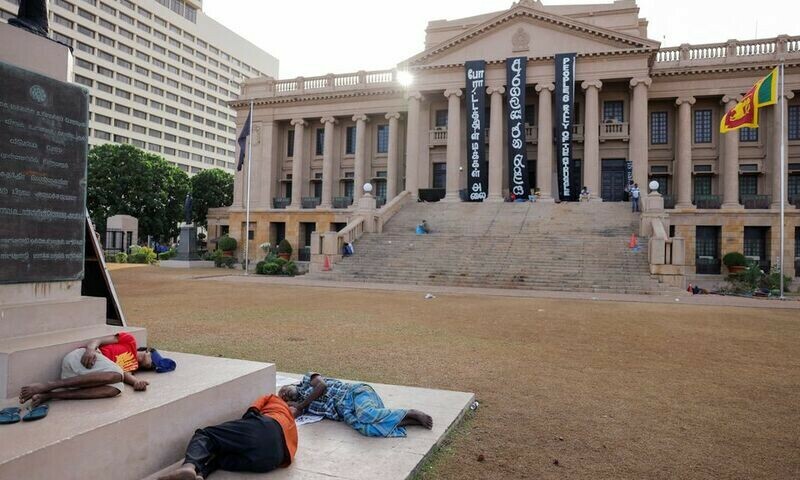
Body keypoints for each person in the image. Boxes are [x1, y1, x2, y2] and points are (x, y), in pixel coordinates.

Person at [158, 394, 298, 480]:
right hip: (271, 461)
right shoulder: (293, 429)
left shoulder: (275, 399)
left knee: (206, 435)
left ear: (284, 396)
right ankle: (200, 475)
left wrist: (243, 425)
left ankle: (188, 466)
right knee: (219, 459)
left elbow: (253, 409)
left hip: (266, 428)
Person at [18, 333, 175, 407]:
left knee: (115, 390)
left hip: (85, 378)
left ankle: (51, 395)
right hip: (80, 359)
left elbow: (124, 376)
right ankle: (48, 385)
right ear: (148, 351)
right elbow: (97, 340)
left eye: (155, 367)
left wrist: (136, 382)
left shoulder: (132, 367)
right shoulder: (130, 341)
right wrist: (91, 349)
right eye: (154, 362)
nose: (153, 366)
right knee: (117, 375)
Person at [279, 372, 433, 438]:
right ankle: (410, 421)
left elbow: (322, 386)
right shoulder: (303, 406)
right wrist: (289, 405)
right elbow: (292, 415)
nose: (285, 394)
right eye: (284, 397)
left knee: (367, 414)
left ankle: (411, 412)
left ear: (292, 384)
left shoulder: (308, 380)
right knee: (367, 429)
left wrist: (300, 405)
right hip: (346, 413)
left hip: (354, 393)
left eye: (283, 390)